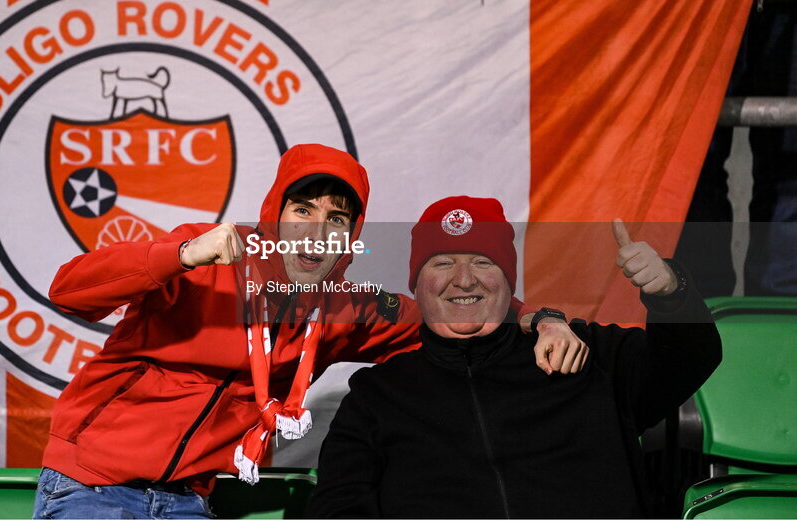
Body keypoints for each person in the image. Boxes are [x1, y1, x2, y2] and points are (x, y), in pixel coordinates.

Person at [32, 146, 586, 520]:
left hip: (188, 503)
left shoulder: (346, 307)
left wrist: (541, 318)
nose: (317, 231)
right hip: (91, 487)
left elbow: (456, 309)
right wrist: (178, 255)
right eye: (302, 210)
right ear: (275, 214)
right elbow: (69, 291)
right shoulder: (203, 259)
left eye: (337, 219)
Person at [307, 196, 722, 519]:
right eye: (443, 262)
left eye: (483, 262)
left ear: (508, 280)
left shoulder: (586, 355)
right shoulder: (376, 398)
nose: (463, 280)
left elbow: (692, 358)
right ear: (416, 284)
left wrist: (670, 293)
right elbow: (337, 509)